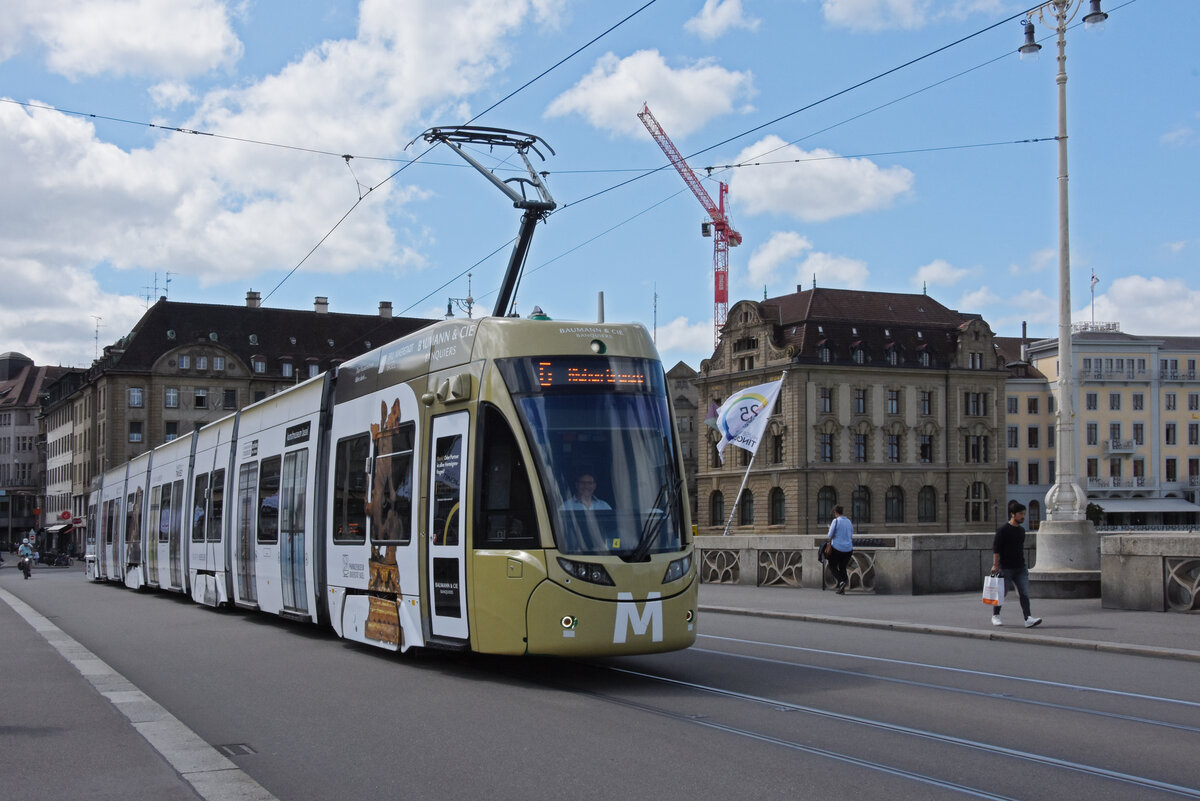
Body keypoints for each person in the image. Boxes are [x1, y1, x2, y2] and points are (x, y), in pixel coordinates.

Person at [991, 500, 1042, 628]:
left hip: (1020, 567)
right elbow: (996, 549)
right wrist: (995, 565)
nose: (1023, 516)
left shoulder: (1021, 531)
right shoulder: (1003, 530)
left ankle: (1028, 618)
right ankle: (995, 616)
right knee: (1001, 593)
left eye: (1024, 513)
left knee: (1024, 593)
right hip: (1006, 567)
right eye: (1020, 514)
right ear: (1013, 514)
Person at [824, 505, 854, 595]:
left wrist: (830, 528)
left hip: (837, 548)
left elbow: (829, 535)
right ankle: (842, 587)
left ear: (836, 512)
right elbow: (851, 534)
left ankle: (841, 582)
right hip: (848, 549)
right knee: (842, 567)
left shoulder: (836, 521)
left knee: (832, 566)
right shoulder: (849, 521)